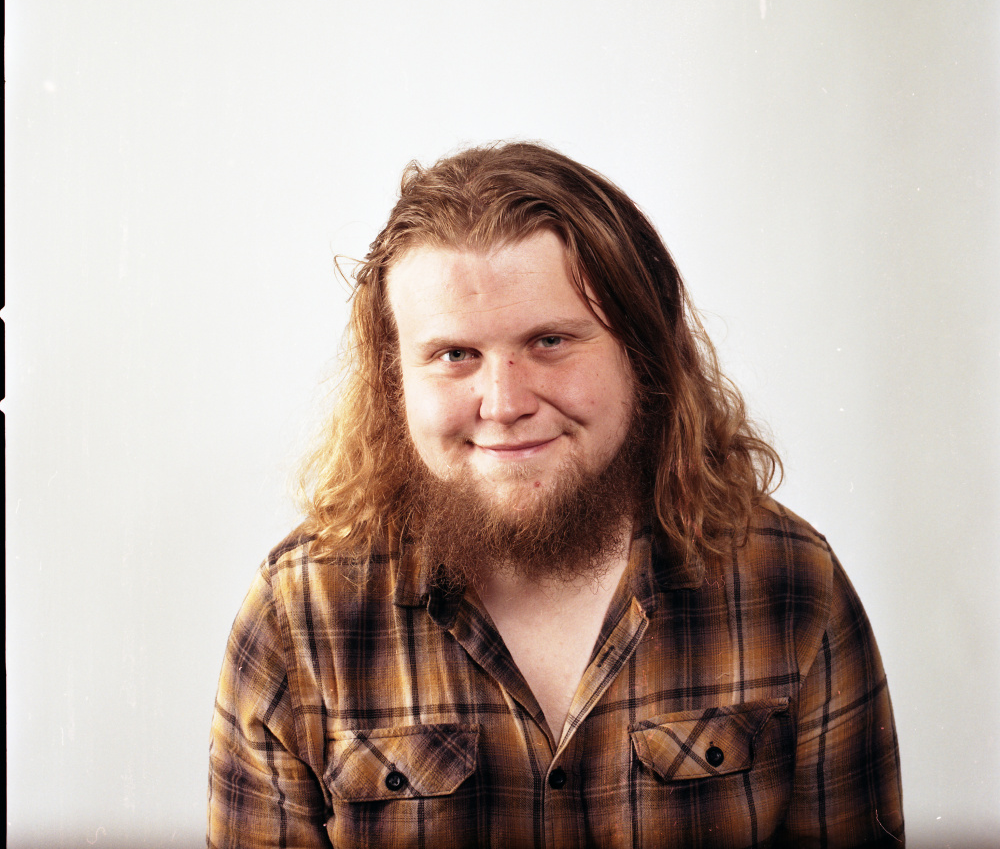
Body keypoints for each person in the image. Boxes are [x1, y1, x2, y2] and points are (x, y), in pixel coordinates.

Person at [207, 142, 904, 848]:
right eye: (455, 355)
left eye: (550, 340)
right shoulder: (299, 618)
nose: (504, 403)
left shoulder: (791, 585)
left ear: (644, 354)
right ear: (396, 384)